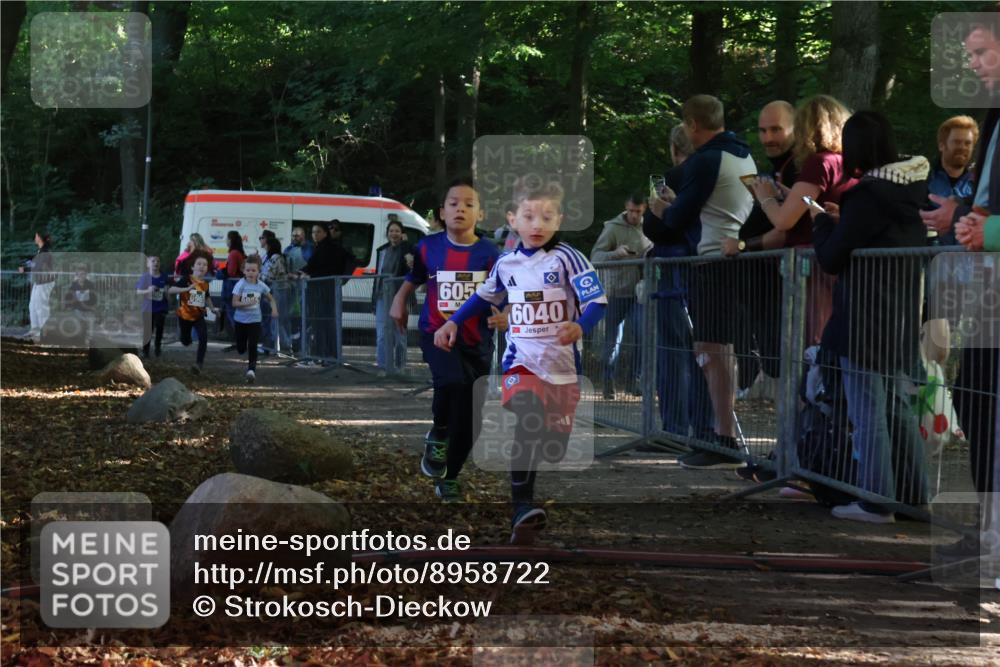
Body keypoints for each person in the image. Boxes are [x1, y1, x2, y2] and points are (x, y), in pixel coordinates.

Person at [436, 178, 607, 544]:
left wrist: (580, 325)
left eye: (546, 217)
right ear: (513, 219)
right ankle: (521, 509)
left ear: (559, 219)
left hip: (562, 369)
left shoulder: (569, 258)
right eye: (529, 216)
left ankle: (529, 493)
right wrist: (452, 321)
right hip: (521, 363)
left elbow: (597, 302)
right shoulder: (506, 263)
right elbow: (484, 297)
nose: (537, 225)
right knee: (527, 419)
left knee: (553, 445)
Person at [812, 110, 930, 524]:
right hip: (899, 317)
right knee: (896, 408)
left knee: (868, 413)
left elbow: (831, 257)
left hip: (863, 318)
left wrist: (821, 225)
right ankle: (914, 497)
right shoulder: (914, 190)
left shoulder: (868, 194)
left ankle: (876, 500)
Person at [643, 94, 756, 469]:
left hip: (714, 263)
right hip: (728, 259)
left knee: (711, 350)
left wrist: (661, 208)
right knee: (714, 348)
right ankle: (719, 435)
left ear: (691, 126)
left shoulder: (707, 159)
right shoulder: (742, 152)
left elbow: (673, 221)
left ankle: (721, 438)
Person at [389, 177, 501, 502]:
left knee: (471, 421)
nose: (460, 209)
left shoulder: (490, 254)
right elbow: (415, 276)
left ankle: (450, 476)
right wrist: (400, 299)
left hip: (477, 341)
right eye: (453, 204)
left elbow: (505, 291)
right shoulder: (427, 246)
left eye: (469, 204)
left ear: (480, 213)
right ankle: (438, 431)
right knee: (451, 382)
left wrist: (504, 313)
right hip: (436, 333)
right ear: (441, 211)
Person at [748, 95, 857, 346]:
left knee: (813, 342)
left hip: (813, 265)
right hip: (835, 261)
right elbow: (815, 203)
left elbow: (784, 222)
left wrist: (766, 199)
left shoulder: (819, 162)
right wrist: (793, 198)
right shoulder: (845, 162)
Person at [644, 124, 714, 443]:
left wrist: (660, 211)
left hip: (675, 273)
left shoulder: (674, 177)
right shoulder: (713, 174)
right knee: (704, 351)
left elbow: (654, 228)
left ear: (674, 147)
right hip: (707, 270)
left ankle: (673, 428)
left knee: (673, 351)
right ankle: (705, 429)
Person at [590, 192, 652, 398]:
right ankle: (608, 383)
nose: (634, 215)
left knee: (641, 337)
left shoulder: (650, 227)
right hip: (616, 292)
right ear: (626, 208)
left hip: (640, 293)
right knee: (613, 340)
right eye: (631, 211)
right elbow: (595, 257)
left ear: (645, 210)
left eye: (639, 212)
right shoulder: (612, 228)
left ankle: (633, 382)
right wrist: (616, 253)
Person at [297, 221, 356, 361]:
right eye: (313, 232)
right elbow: (312, 265)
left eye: (318, 231)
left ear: (325, 233)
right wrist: (300, 272)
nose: (315, 235)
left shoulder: (331, 248)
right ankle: (323, 354)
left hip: (325, 292)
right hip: (320, 291)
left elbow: (325, 269)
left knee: (325, 324)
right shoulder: (320, 248)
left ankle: (325, 355)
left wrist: (310, 275)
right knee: (320, 324)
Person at [925, 115, 978, 246]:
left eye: (968, 143)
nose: (963, 147)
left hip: (970, 261)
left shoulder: (979, 185)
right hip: (931, 261)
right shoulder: (924, 181)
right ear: (942, 145)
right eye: (957, 142)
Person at [372, 218, 414, 370]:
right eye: (391, 231)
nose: (394, 234)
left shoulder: (406, 249)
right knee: (382, 333)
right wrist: (373, 299)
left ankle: (400, 367)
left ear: (402, 234)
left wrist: (405, 244)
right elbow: (378, 276)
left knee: (400, 334)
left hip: (400, 298)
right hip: (382, 296)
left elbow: (412, 260)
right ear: (387, 233)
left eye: (397, 231)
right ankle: (383, 366)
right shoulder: (382, 251)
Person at [232, 255, 279, 384]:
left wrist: (274, 309)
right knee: (241, 348)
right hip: (240, 320)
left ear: (258, 271)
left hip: (255, 320)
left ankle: (251, 370)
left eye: (253, 270)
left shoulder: (261, 286)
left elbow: (271, 299)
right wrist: (247, 303)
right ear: (244, 271)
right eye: (248, 270)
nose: (250, 273)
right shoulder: (240, 284)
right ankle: (241, 347)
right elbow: (234, 303)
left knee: (253, 345)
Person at [169, 255, 219, 375]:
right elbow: (171, 290)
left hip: (198, 316)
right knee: (186, 341)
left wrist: (212, 309)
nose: (202, 266)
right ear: (193, 267)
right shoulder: (187, 279)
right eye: (199, 264)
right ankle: (185, 338)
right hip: (185, 316)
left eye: (205, 264)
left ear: (207, 269)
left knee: (203, 337)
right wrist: (186, 289)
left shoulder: (205, 284)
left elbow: (206, 297)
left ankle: (198, 364)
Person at [19, 230, 55, 343]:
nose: (34, 237)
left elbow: (39, 267)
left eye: (35, 235)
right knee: (33, 306)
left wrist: (25, 269)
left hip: (45, 282)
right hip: (39, 282)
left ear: (39, 237)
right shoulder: (41, 251)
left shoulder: (45, 251)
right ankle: (35, 330)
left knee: (41, 308)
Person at [136, 255, 171, 359]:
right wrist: (148, 290)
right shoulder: (145, 277)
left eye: (158, 261)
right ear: (148, 264)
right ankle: (145, 351)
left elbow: (169, 295)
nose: (156, 263)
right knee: (148, 330)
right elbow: (138, 291)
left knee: (159, 329)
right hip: (148, 308)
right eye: (153, 261)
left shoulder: (164, 277)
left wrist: (167, 293)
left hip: (161, 308)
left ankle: (157, 349)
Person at [261, 237, 290, 354]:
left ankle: (275, 346)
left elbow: (268, 275)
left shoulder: (274, 258)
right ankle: (284, 345)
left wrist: (258, 277)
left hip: (277, 291)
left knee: (275, 319)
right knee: (279, 319)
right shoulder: (280, 257)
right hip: (281, 291)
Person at [62, 263, 98, 345]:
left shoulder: (90, 285)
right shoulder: (73, 285)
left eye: (84, 274)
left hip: (88, 309)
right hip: (77, 309)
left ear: (86, 275)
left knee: (91, 322)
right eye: (80, 274)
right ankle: (79, 339)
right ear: (77, 275)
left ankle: (89, 340)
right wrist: (68, 306)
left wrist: (93, 306)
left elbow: (94, 297)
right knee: (78, 323)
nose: (82, 276)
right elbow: (68, 297)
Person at [220, 230, 246, 337]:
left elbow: (230, 272)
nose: (225, 241)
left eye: (227, 238)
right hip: (238, 288)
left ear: (230, 240)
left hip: (231, 289)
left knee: (234, 315)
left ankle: (241, 339)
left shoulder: (233, 253)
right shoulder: (240, 253)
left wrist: (220, 269)